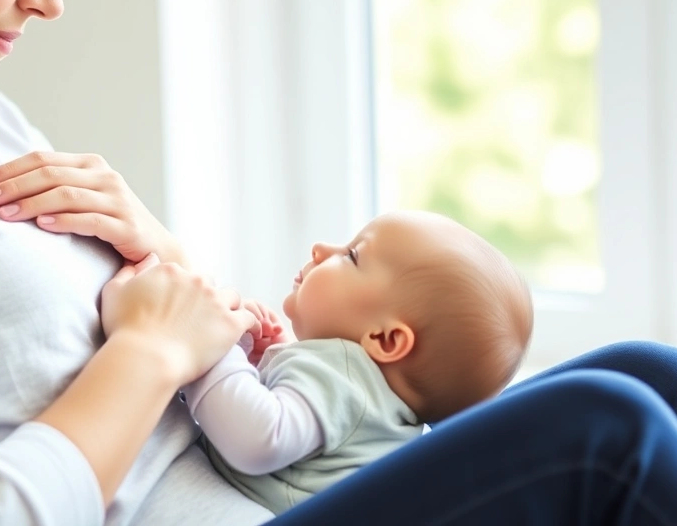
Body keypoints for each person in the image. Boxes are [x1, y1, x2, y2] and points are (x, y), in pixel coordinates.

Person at [0, 0, 677, 525]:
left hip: (267, 498)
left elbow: (183, 324)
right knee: (606, 430)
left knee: (650, 373)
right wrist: (145, 356)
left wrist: (163, 253)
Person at [184, 210, 533, 513]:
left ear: (385, 340)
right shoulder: (382, 412)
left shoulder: (344, 377)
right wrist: (269, 358)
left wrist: (211, 349)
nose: (321, 248)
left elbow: (259, 439)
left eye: (351, 256)